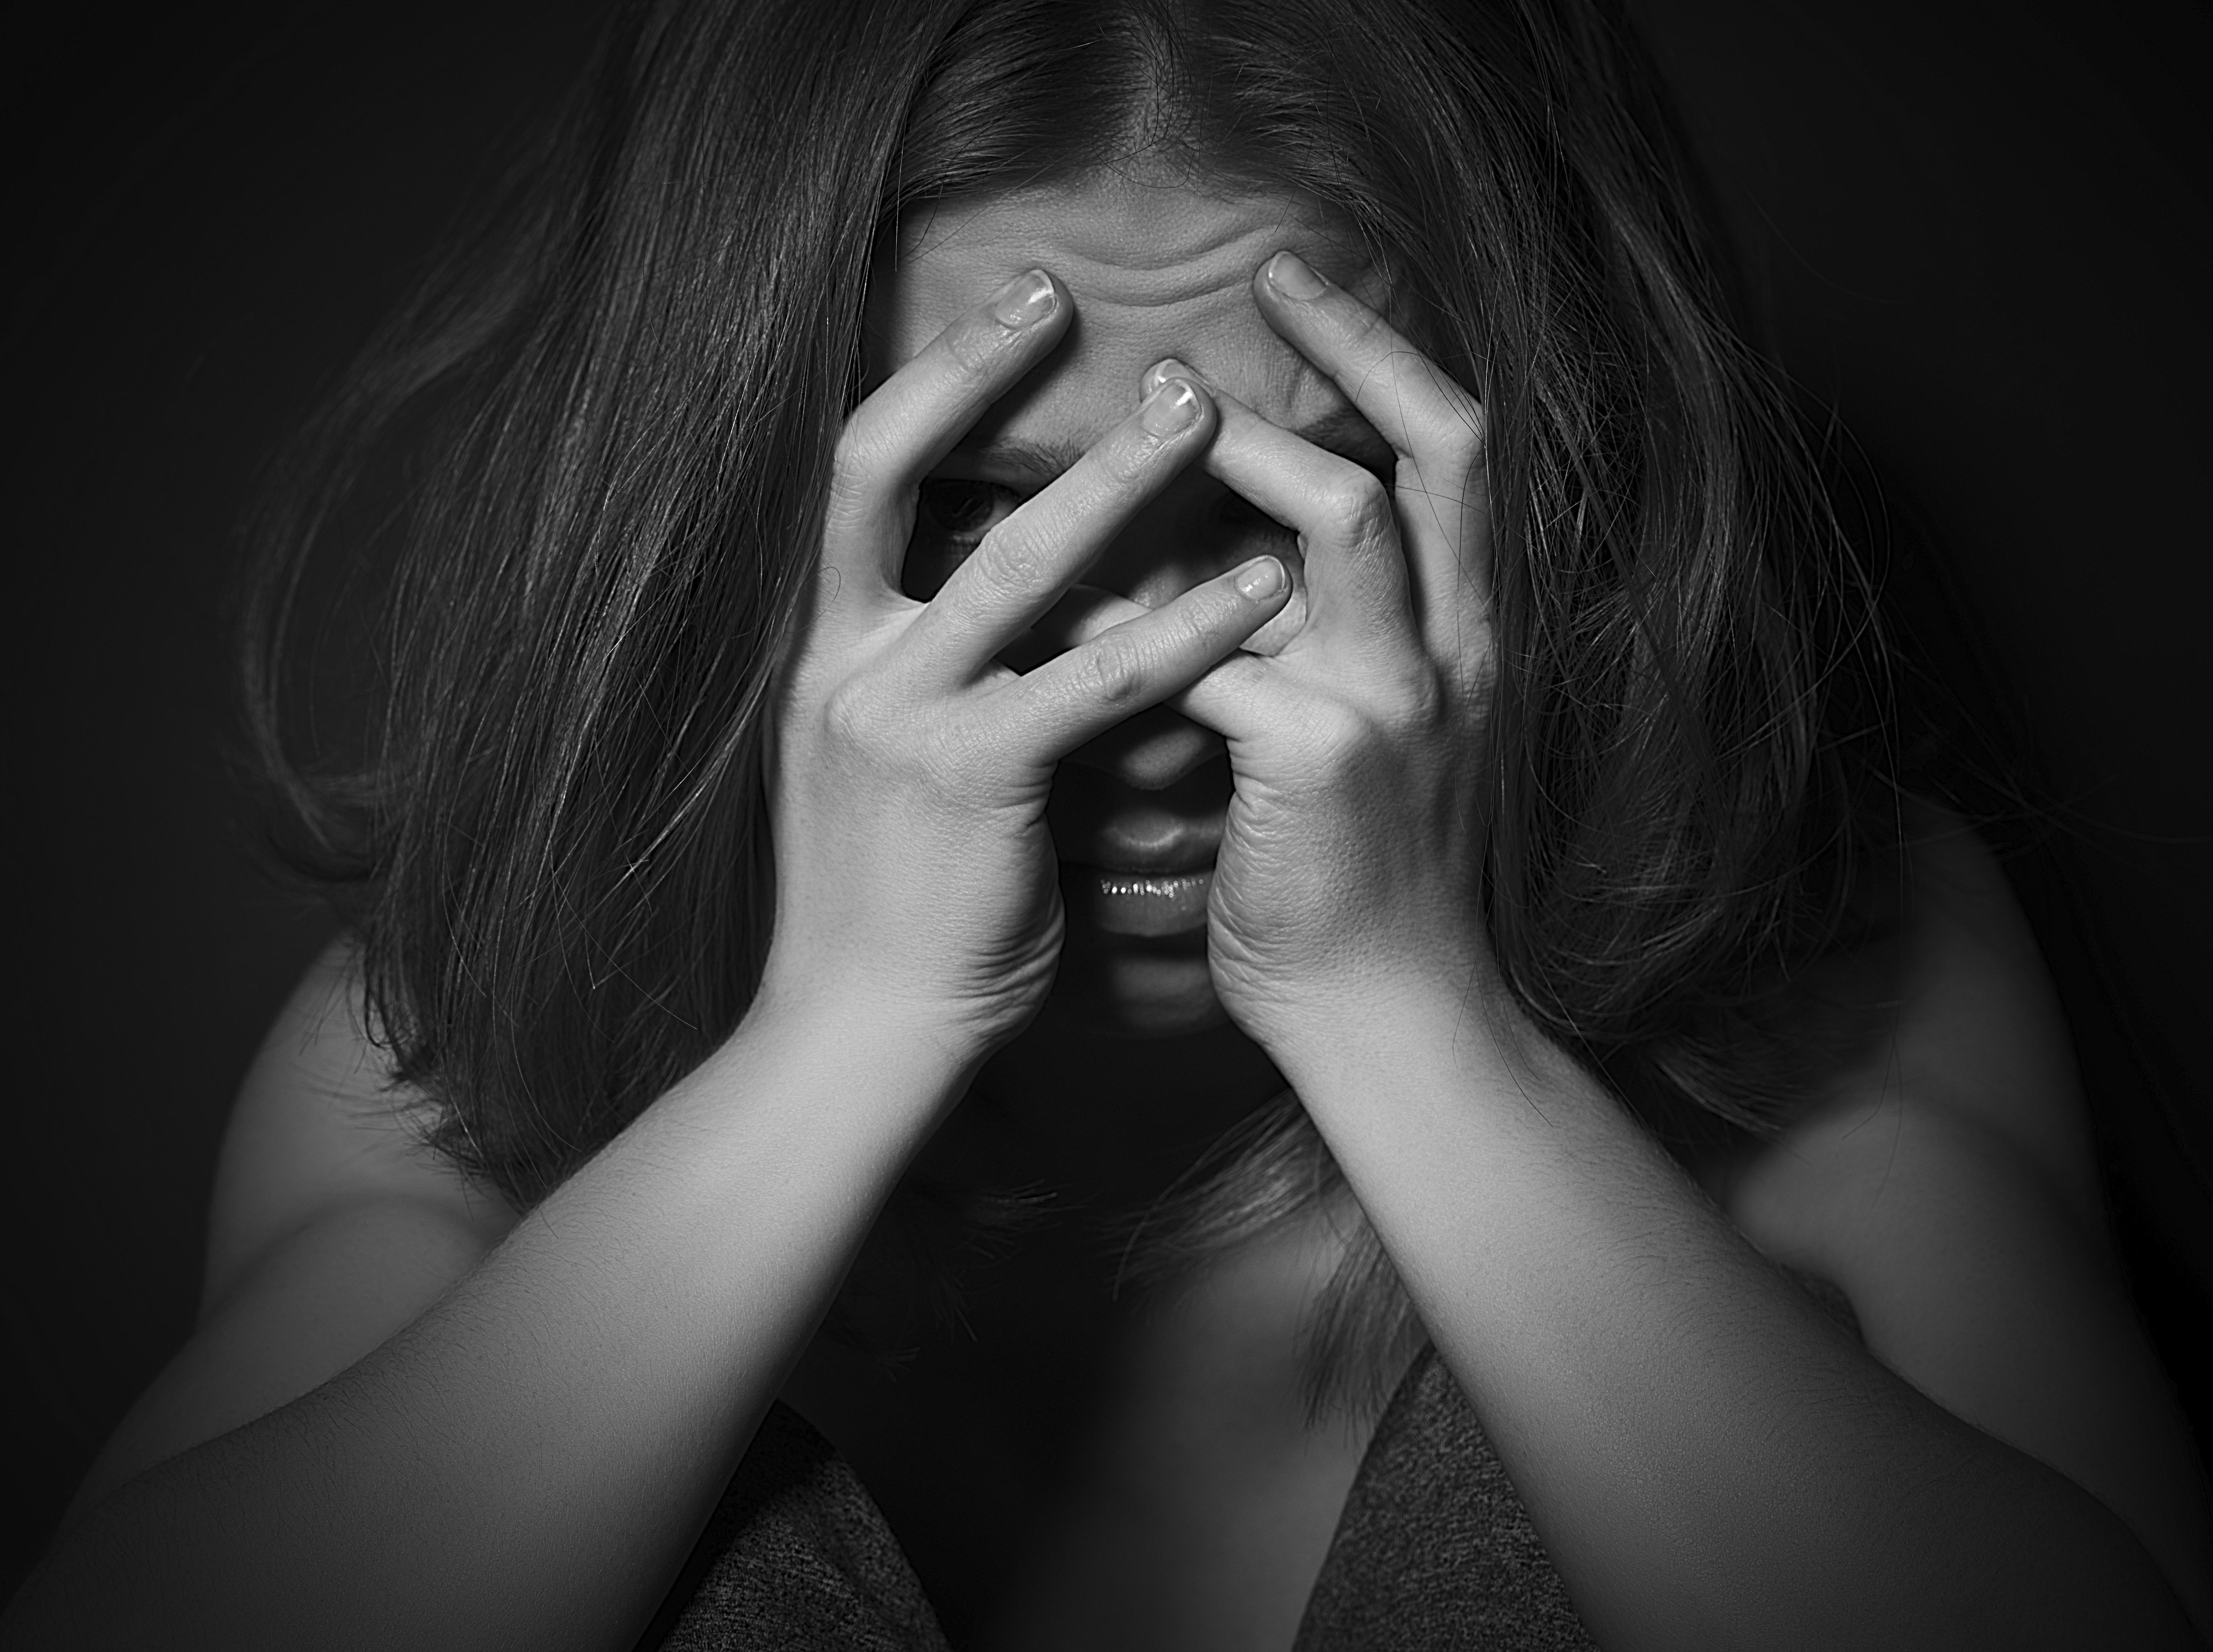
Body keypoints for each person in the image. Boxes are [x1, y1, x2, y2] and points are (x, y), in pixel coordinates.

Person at [7, 0, 2209, 1646]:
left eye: (1304, 504)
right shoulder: (452, 1044)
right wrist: (845, 1031)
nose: (1144, 677)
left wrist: (1410, 1018)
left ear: (1538, 489)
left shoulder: (1843, 962)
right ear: (738, 509)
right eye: (986, 514)